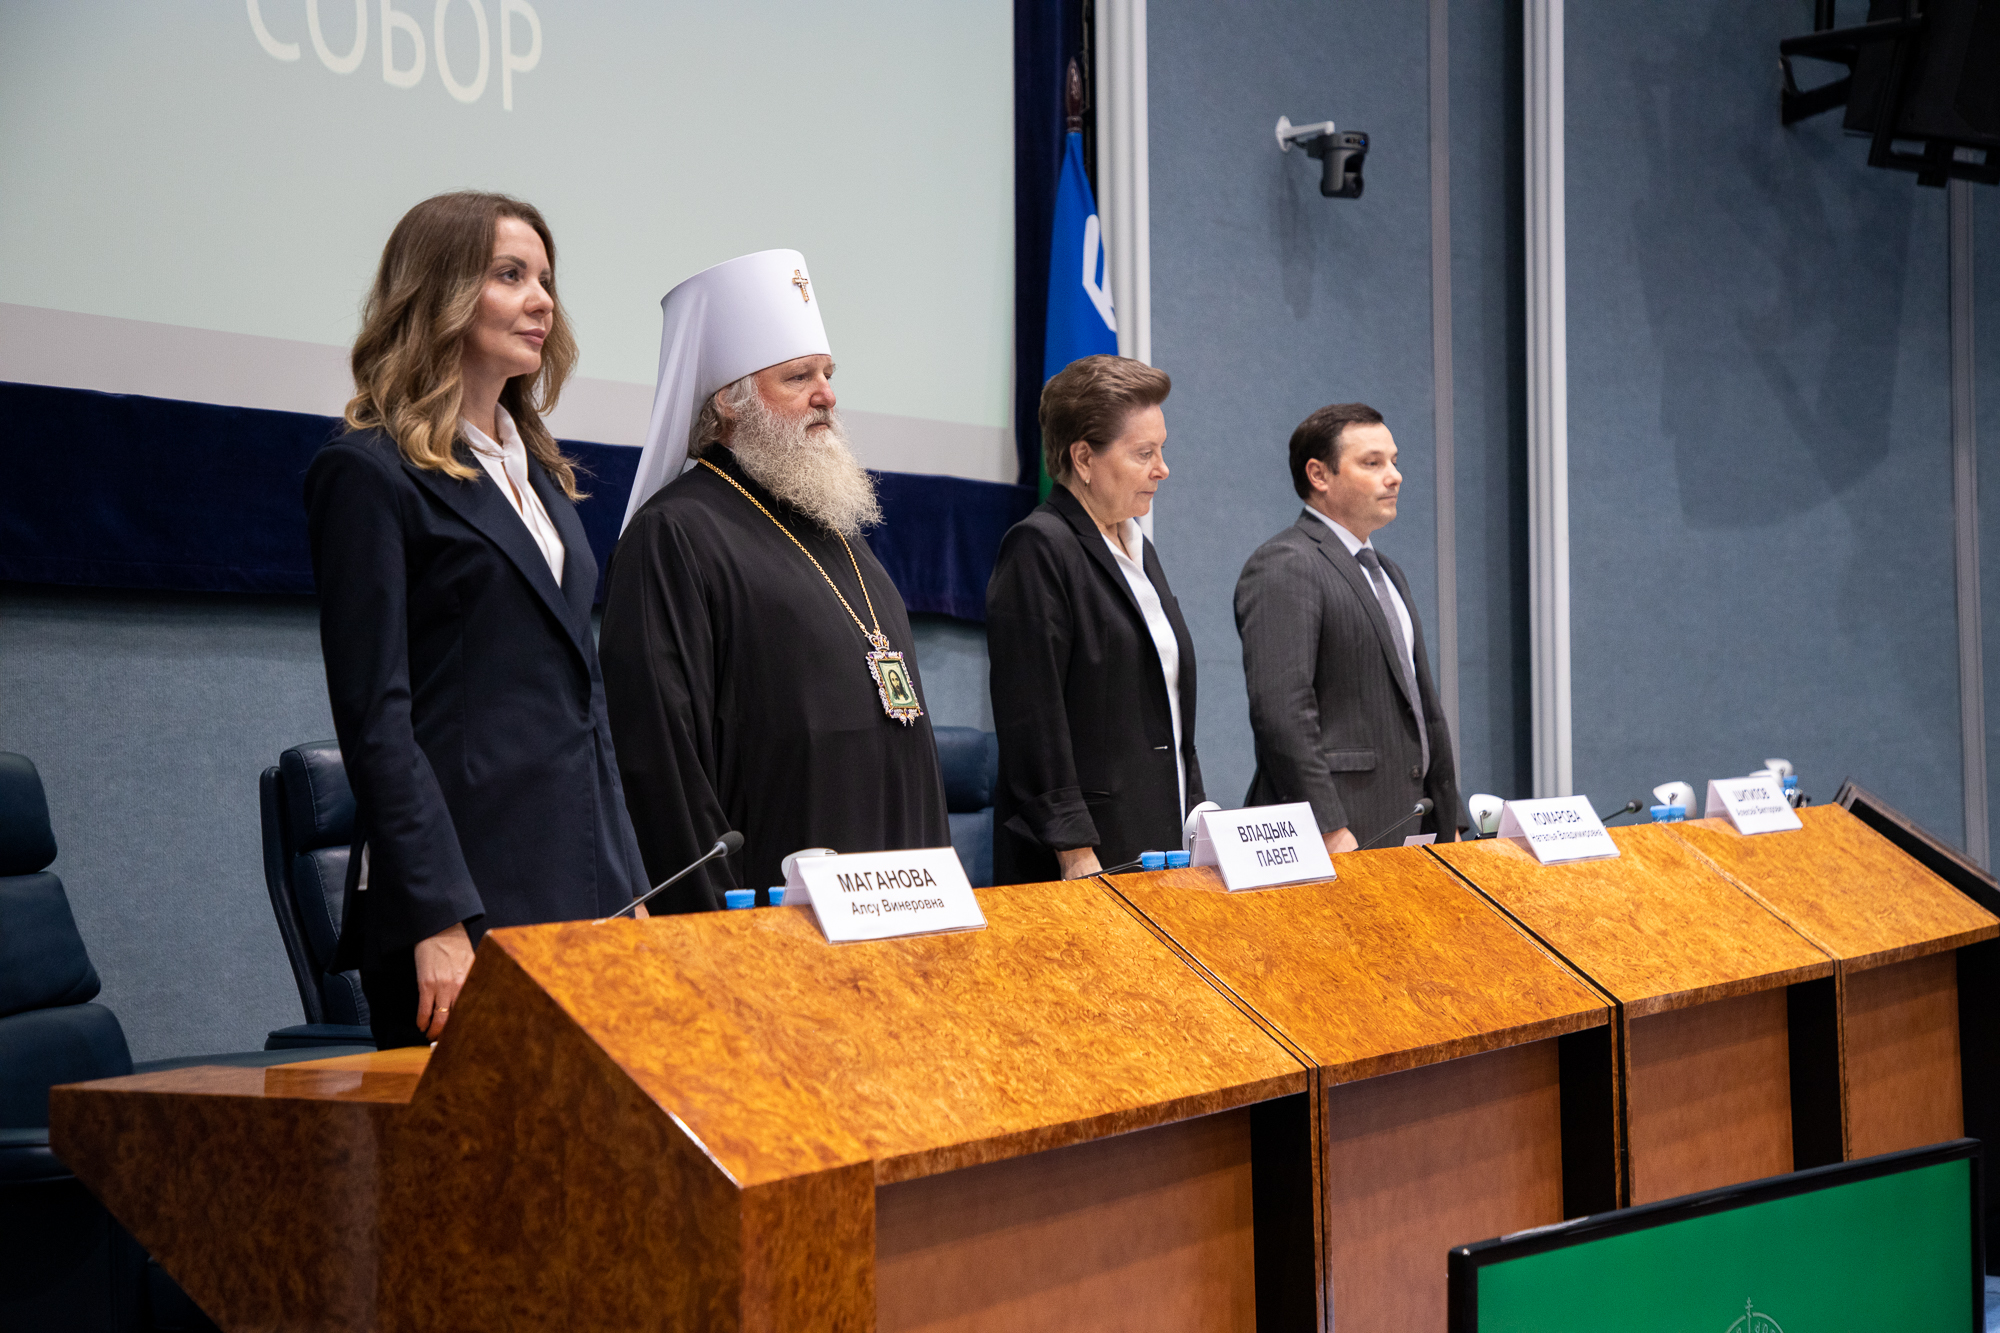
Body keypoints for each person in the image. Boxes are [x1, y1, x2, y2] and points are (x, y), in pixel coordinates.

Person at [304, 192, 651, 1049]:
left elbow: (583, 700)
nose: (542, 299)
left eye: (545, 279)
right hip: (466, 908)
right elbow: (377, 719)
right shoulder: (368, 473)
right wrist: (437, 918)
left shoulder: (538, 473)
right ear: (441, 292)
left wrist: (628, 883)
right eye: (510, 275)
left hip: (580, 896)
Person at [600, 250, 949, 906]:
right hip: (766, 922)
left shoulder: (836, 529)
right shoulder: (674, 534)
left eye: (827, 373)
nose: (828, 394)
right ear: (729, 402)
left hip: (899, 907)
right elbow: (664, 761)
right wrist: (714, 926)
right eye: (798, 377)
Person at [985, 355, 1204, 884]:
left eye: (1162, 450)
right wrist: (1074, 851)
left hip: (1160, 841)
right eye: (1143, 453)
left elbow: (1167, 710)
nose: (1162, 469)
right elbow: (1031, 717)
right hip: (1084, 857)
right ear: (1083, 457)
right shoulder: (1040, 546)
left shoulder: (1139, 549)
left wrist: (1198, 820)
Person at [1234, 402, 1459, 853]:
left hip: (1412, 826)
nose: (1393, 476)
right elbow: (1282, 710)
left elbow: (1421, 708)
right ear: (1319, 475)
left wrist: (1450, 818)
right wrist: (1327, 827)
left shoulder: (1387, 571)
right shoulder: (1286, 563)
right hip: (1340, 830)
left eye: (1394, 462)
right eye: (1372, 463)